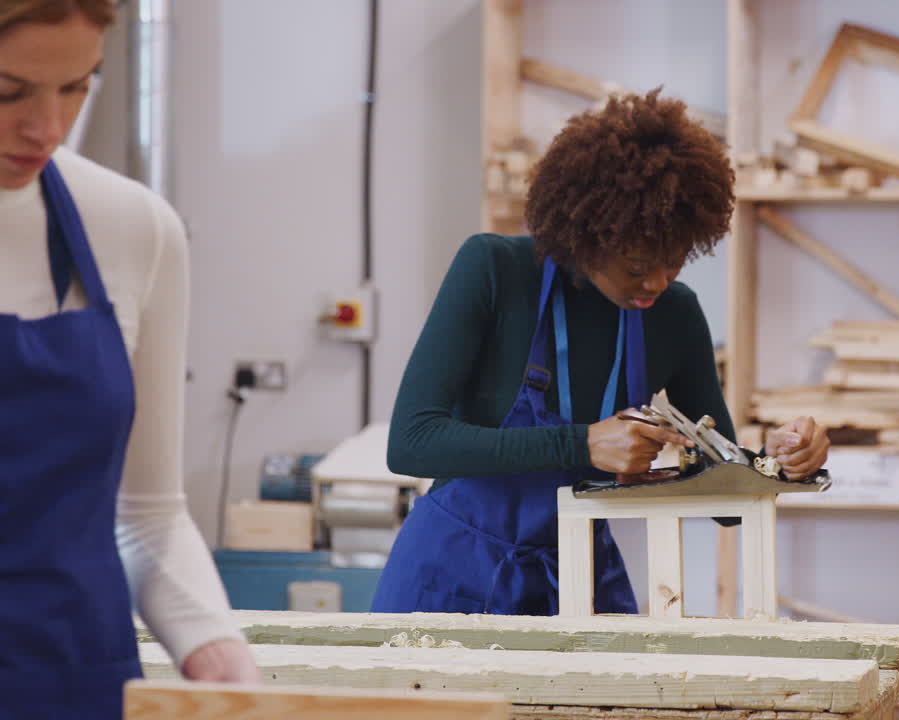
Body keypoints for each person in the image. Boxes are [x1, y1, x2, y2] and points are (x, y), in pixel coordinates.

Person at [372, 89, 830, 616]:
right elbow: (412, 443)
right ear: (586, 235)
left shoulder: (675, 314)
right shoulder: (494, 269)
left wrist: (777, 462)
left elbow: (725, 498)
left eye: (675, 261)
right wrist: (583, 443)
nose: (656, 282)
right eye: (636, 266)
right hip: (451, 574)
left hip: (578, 579)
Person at [0, 2, 259, 716]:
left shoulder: (131, 227)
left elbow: (147, 516)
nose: (48, 128)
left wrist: (219, 653)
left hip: (76, 680)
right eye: (8, 92)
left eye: (77, 86)